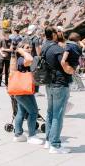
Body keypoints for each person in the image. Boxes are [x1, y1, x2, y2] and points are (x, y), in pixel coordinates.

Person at [43, 26, 74, 154]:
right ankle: (55, 145)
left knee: (50, 113)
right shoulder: (56, 49)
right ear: (54, 34)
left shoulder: (45, 46)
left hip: (49, 83)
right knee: (58, 114)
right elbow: (64, 65)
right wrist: (71, 70)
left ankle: (48, 141)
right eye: (57, 31)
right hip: (59, 83)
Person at [10, 40, 44, 145]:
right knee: (33, 112)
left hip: (24, 90)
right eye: (27, 47)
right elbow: (29, 59)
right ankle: (32, 136)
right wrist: (21, 51)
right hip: (23, 91)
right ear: (21, 49)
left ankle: (18, 134)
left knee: (21, 112)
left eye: (30, 47)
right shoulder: (21, 59)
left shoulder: (21, 58)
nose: (29, 49)